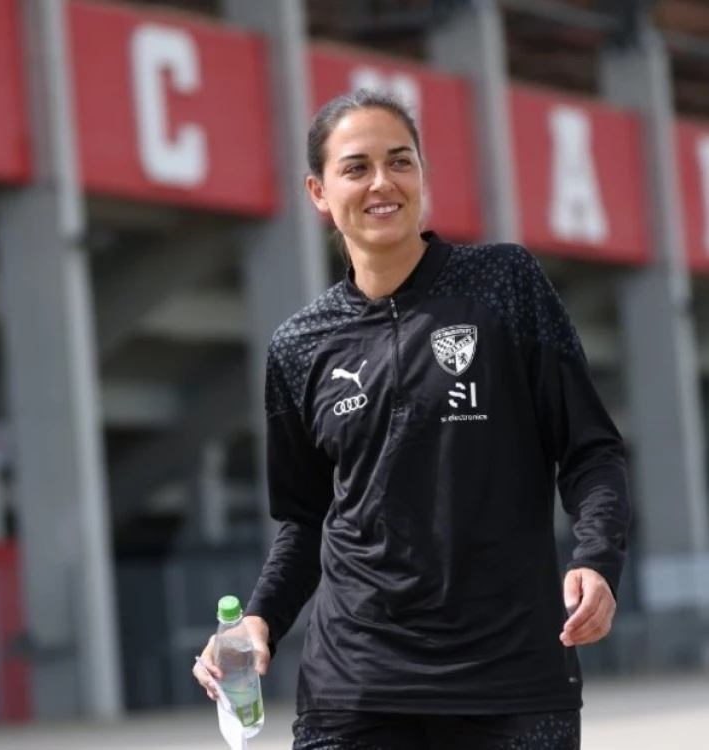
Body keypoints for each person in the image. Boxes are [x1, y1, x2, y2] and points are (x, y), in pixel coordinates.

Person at [193, 89, 631, 750]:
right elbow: (305, 521)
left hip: (510, 678)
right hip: (355, 684)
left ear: (423, 175)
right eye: (356, 166)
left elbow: (591, 450)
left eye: (400, 161)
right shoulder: (298, 346)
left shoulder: (505, 284)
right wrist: (260, 621)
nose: (381, 182)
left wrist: (597, 558)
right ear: (318, 192)